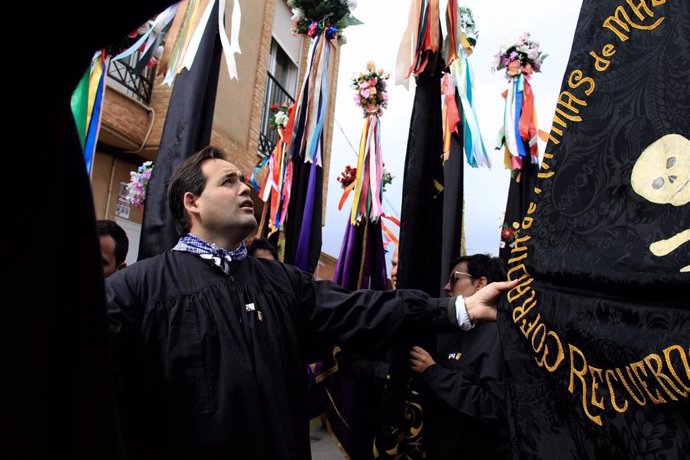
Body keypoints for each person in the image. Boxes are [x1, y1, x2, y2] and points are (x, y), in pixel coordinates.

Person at [105, 146, 518, 459]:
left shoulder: (283, 282)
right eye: (228, 182)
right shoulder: (138, 290)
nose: (245, 188)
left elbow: (362, 309)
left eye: (244, 180)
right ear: (192, 202)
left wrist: (454, 310)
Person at [409, 254, 509, 460]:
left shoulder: (500, 337)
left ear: (481, 283)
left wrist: (434, 373)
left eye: (454, 279)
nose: (447, 287)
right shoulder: (446, 329)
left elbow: (494, 408)